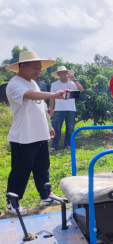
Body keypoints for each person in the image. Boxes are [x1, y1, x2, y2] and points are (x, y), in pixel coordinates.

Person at [5, 51, 70, 214]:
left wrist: (49, 125)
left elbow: (40, 106)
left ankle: (46, 195)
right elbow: (30, 96)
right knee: (21, 170)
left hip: (40, 134)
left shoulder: (33, 82)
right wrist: (54, 95)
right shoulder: (14, 84)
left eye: (40, 68)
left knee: (42, 167)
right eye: (35, 68)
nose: (38, 71)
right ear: (22, 66)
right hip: (24, 136)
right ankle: (12, 202)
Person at [49, 66, 84, 151]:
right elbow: (51, 97)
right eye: (63, 72)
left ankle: (68, 144)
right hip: (58, 109)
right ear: (58, 74)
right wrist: (51, 109)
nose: (65, 74)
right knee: (57, 128)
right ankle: (54, 145)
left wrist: (74, 80)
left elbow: (81, 90)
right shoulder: (54, 84)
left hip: (70, 109)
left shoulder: (72, 83)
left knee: (69, 128)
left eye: (66, 72)